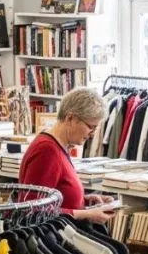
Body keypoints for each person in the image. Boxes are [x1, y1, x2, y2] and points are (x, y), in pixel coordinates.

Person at [18, 87, 115, 223]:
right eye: (90, 127)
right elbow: (34, 210)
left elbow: (57, 198)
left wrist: (84, 202)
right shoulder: (47, 151)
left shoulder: (59, 146)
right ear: (70, 118)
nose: (92, 134)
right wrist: (85, 214)